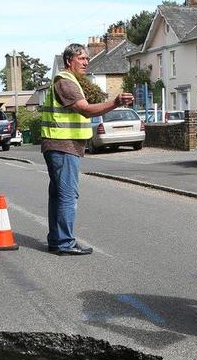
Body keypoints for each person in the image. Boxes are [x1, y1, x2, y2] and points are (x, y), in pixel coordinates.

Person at [40, 43, 133, 255]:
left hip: (59, 146)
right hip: (64, 147)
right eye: (81, 58)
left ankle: (57, 240)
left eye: (87, 59)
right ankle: (64, 242)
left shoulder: (67, 81)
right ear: (68, 61)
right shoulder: (66, 82)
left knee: (57, 195)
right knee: (67, 196)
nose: (85, 62)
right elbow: (86, 111)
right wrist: (116, 102)